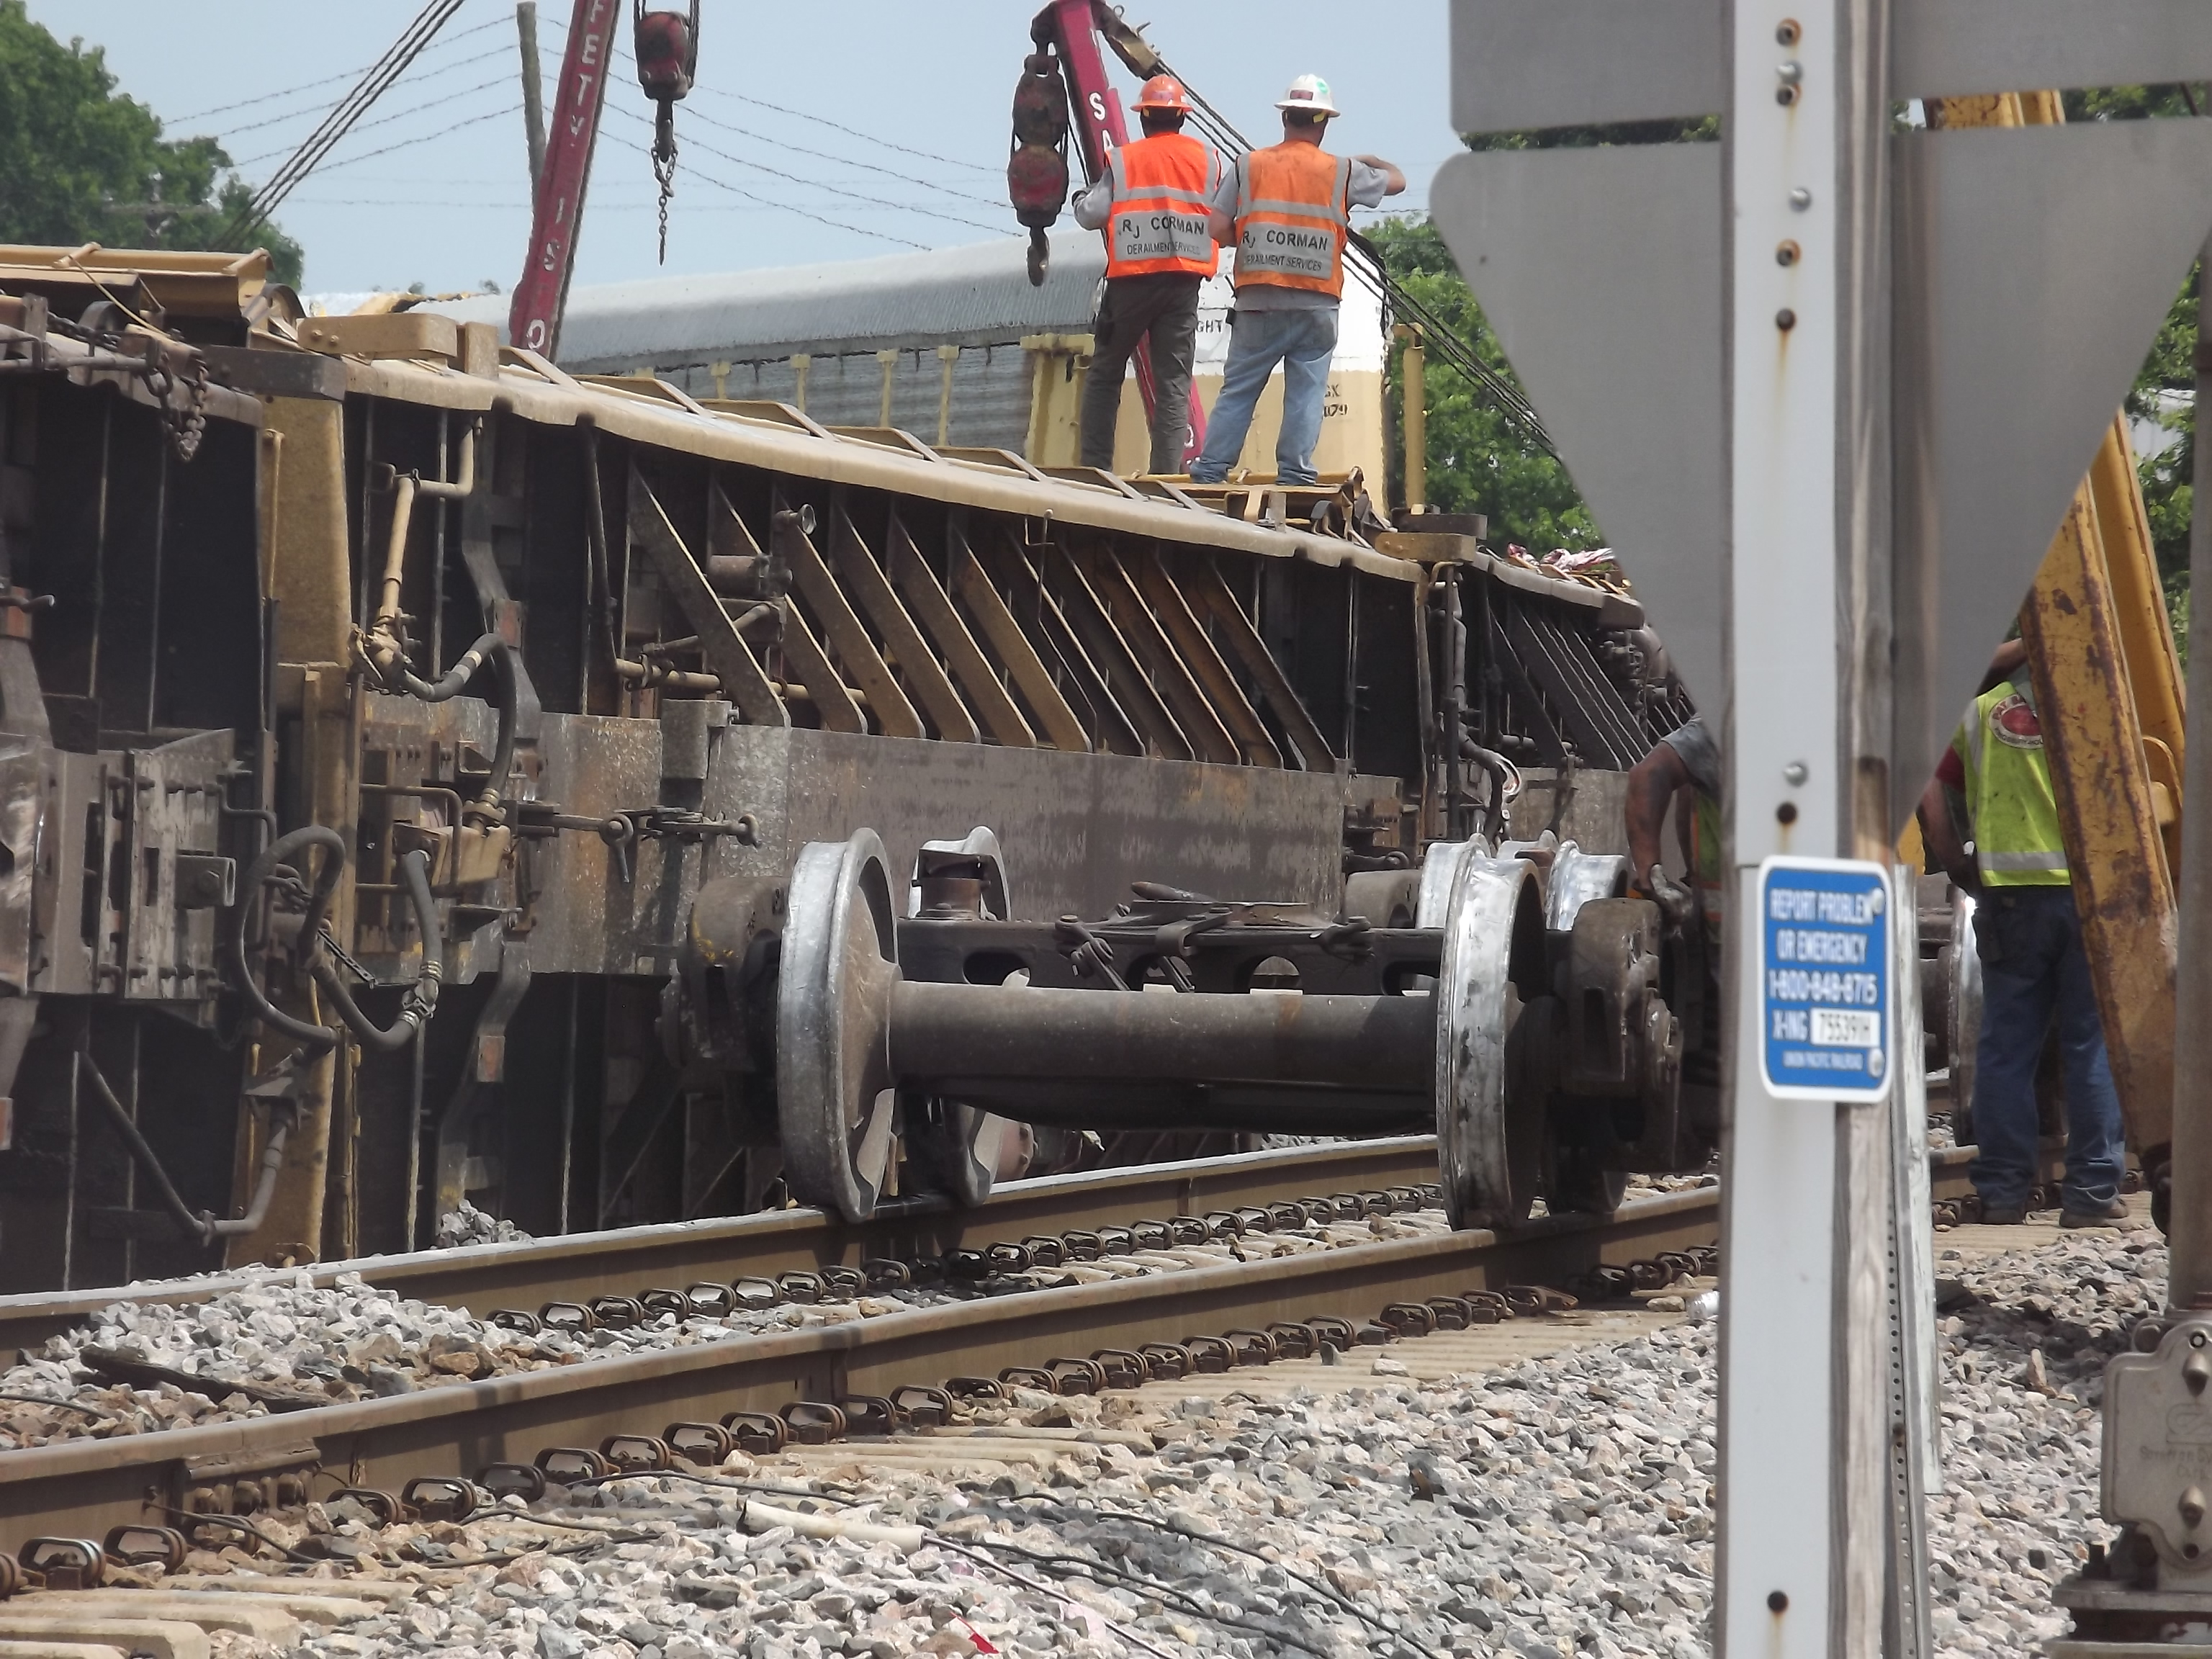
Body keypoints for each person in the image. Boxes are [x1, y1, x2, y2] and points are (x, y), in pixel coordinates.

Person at [1917, 637, 2128, 1229]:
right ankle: (2090, 1195)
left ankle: (2005, 1193)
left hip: (2010, 899)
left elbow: (1929, 776)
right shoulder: (2099, 705)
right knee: (2091, 1042)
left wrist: (1950, 858)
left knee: (2007, 1046)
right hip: (2090, 897)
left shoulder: (1982, 711)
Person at [1187, 75, 1405, 487]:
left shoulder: (1247, 165)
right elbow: (1398, 182)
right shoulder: (1343, 171)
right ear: (1323, 123)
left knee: (1239, 390)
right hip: (1317, 303)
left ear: (1284, 117)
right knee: (1306, 393)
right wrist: (1373, 160)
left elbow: (1216, 228)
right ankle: (1295, 475)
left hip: (1258, 301)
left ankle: (1212, 470)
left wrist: (1250, 240)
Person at [1071, 76, 1224, 475]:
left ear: (1144, 119)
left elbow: (1092, 215)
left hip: (1132, 283)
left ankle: (1096, 471)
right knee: (1173, 384)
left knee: (1105, 373)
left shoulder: (1124, 160)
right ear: (1182, 119)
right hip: (1183, 285)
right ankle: (1166, 479)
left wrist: (1079, 198)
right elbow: (1227, 216)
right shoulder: (1208, 161)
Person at [1624, 713, 1719, 941]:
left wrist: (1650, 881)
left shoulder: (1721, 723)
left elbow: (1649, 774)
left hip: (1729, 935)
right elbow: (1650, 775)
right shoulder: (1718, 727)